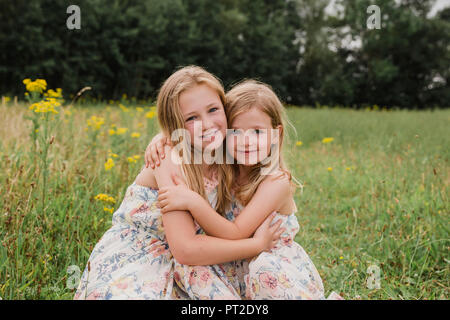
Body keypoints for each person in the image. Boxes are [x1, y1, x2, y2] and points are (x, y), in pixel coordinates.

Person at [74, 67, 283, 300]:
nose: (206, 124)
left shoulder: (228, 149)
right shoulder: (170, 157)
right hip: (143, 253)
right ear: (175, 125)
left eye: (213, 110)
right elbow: (185, 249)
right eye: (191, 118)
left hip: (193, 260)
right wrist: (256, 245)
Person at [150, 80, 343, 300]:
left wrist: (193, 202)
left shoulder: (275, 181)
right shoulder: (224, 168)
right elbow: (184, 139)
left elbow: (236, 232)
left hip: (272, 265)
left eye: (257, 132)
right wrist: (161, 138)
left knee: (263, 271)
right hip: (236, 263)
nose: (246, 142)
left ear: (276, 134)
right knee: (188, 271)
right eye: (236, 133)